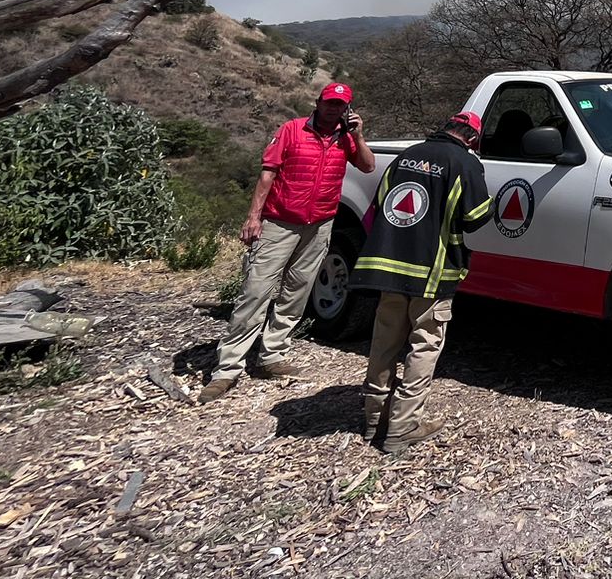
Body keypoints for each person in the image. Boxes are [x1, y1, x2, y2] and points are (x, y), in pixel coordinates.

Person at [198, 81, 376, 403]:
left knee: (298, 290)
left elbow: (367, 165)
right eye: (329, 103)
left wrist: (358, 135)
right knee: (256, 290)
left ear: (347, 109)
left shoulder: (347, 138)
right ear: (318, 103)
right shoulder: (292, 130)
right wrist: (254, 217)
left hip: (320, 225)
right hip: (280, 222)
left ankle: (272, 355)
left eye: (341, 105)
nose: (334, 109)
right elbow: (268, 172)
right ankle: (227, 369)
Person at [353, 110, 493, 455]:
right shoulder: (464, 163)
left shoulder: (407, 155)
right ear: (472, 138)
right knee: (424, 346)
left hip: (389, 269)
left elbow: (382, 204)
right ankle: (402, 428)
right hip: (432, 273)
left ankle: (373, 420)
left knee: (384, 343)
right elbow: (476, 217)